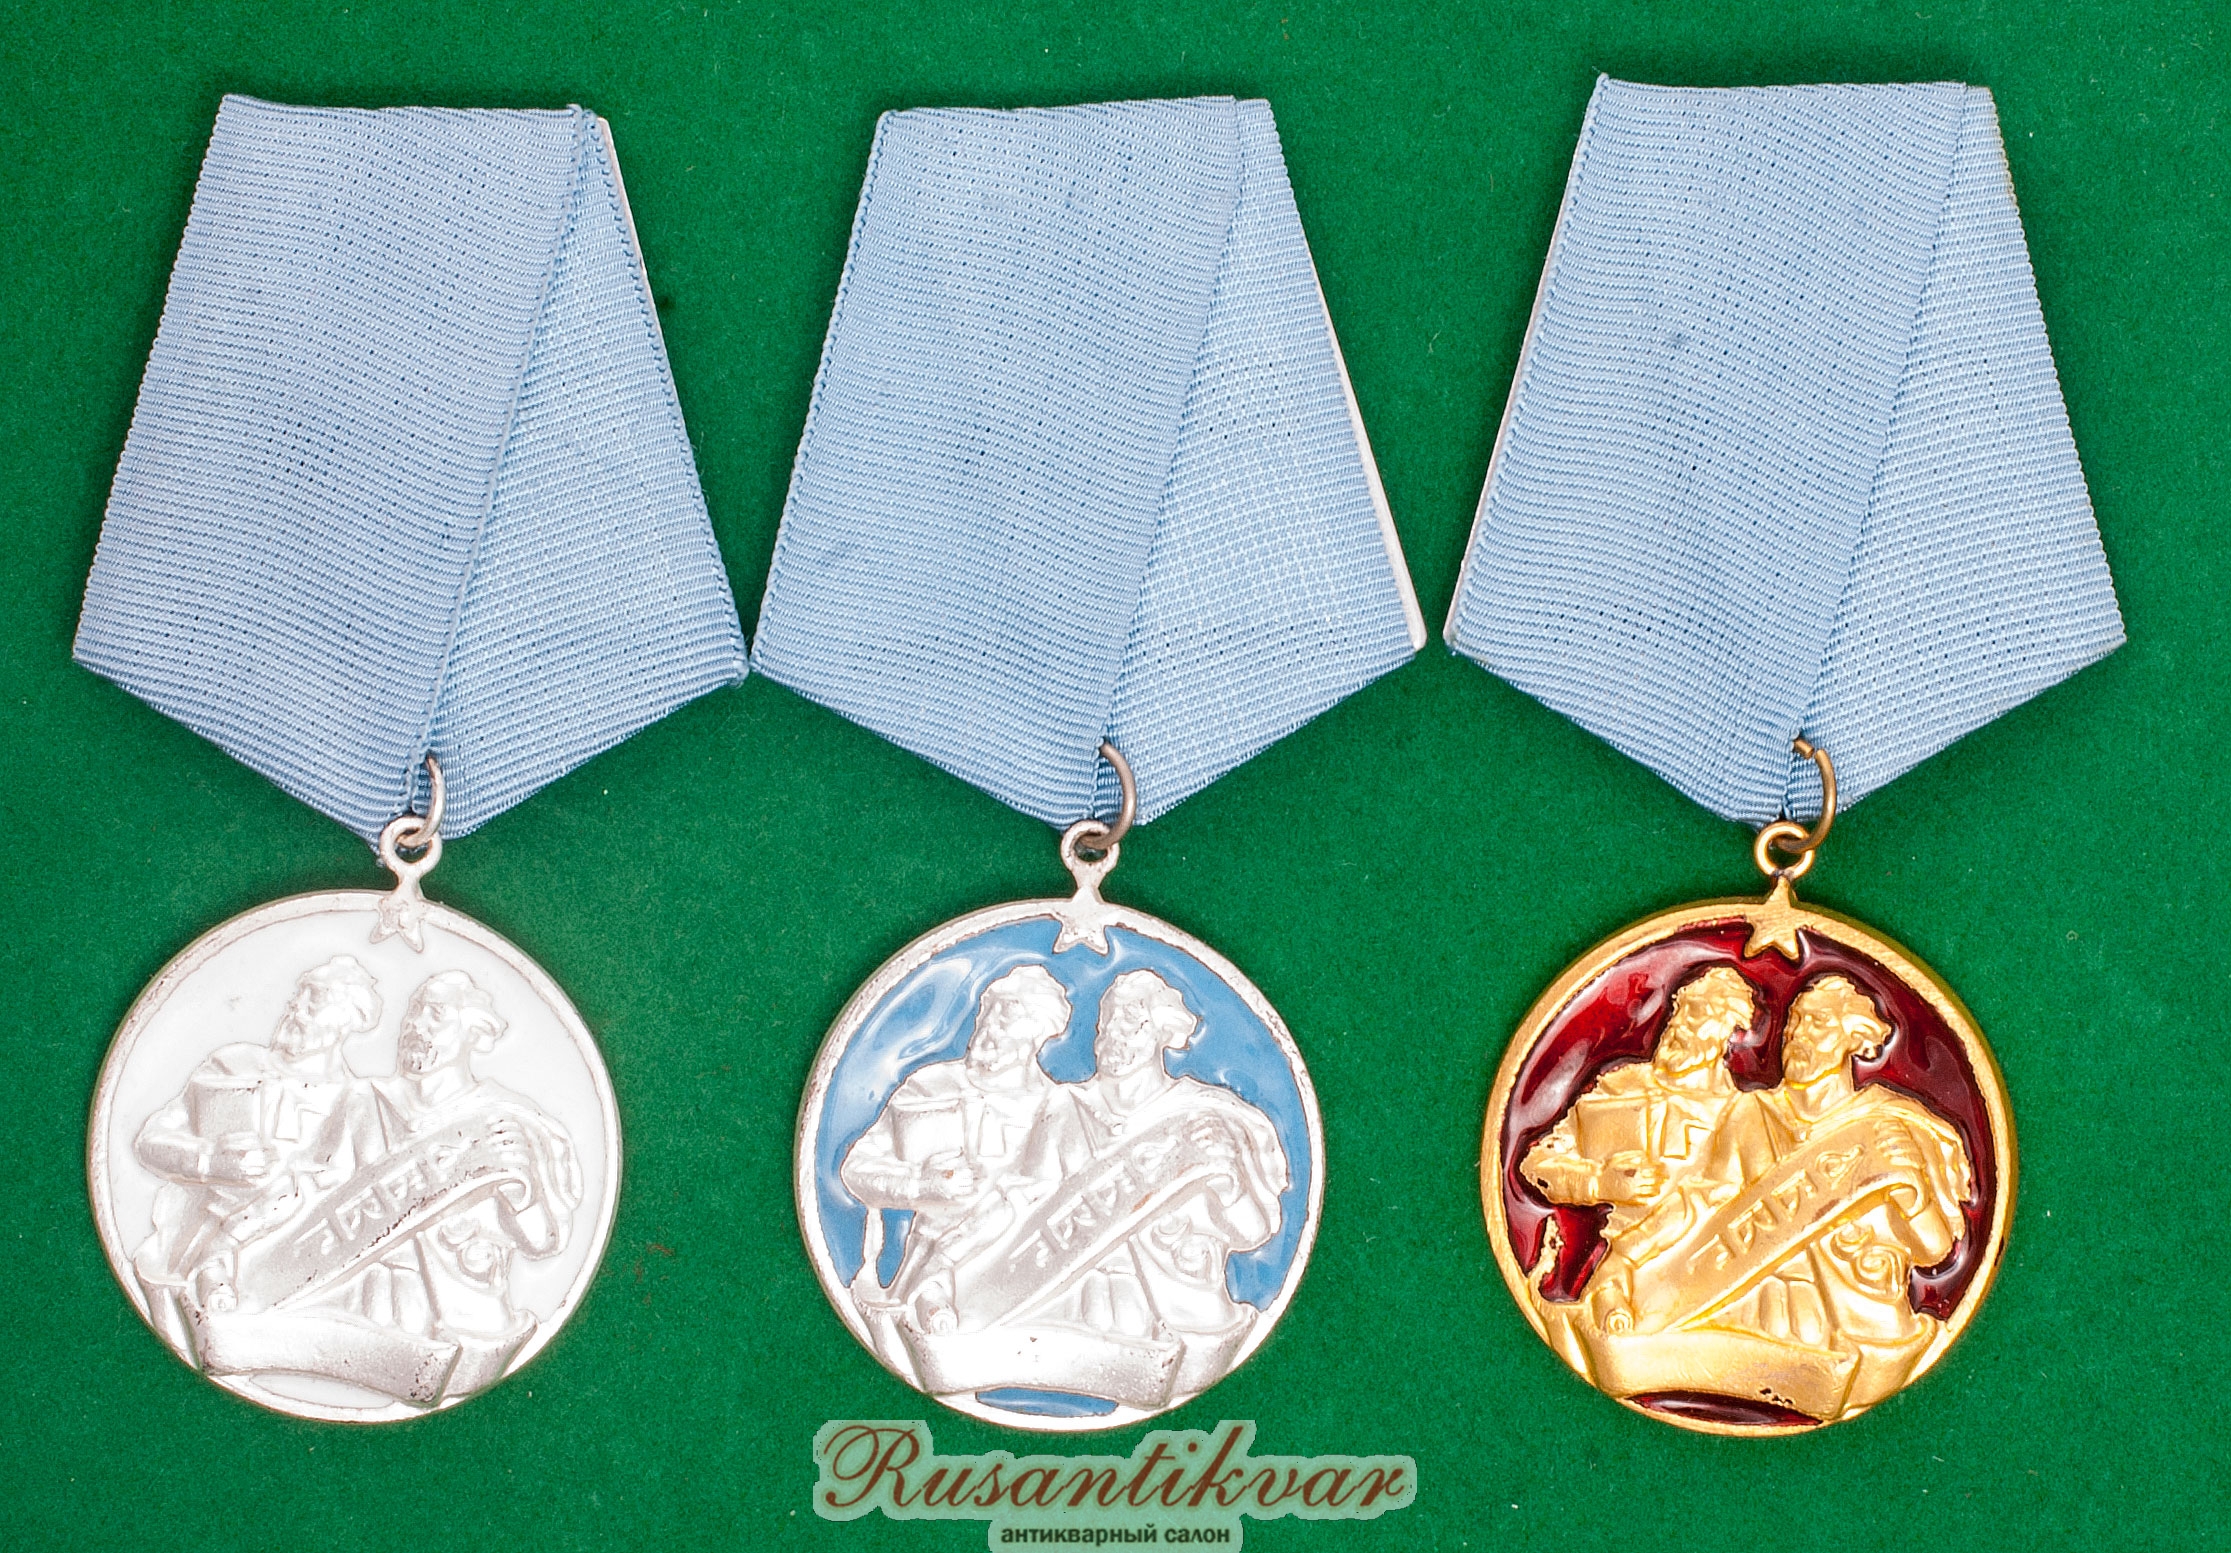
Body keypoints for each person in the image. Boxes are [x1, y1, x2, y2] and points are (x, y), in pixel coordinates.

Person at [1702, 973, 1973, 1409]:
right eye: (1794, 1023)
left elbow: (1934, 1252)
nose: (1798, 1036)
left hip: (1872, 1329)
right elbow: (1704, 1231)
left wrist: (1912, 1192)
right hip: (1763, 1325)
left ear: (1856, 1038)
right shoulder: (1748, 1116)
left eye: (1817, 1023)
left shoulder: (1891, 1122)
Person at [1013, 969, 1289, 1393]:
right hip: (1068, 1321)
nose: (1114, 1035)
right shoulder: (1065, 1108)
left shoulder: (1206, 1115)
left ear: (1165, 1032)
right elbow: (1022, 1220)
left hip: (1187, 1321)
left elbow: (1255, 1234)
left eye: (1132, 1023)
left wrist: (1230, 1184)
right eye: (1107, 1023)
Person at [132, 955, 386, 1338]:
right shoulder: (233, 1067)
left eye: (314, 999)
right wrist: (208, 1161)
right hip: (197, 1249)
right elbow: (149, 1141)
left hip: (303, 1275)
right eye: (299, 995)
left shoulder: (357, 1103)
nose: (296, 1007)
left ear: (348, 1018)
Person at [355, 970, 582, 1392]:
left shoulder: (507, 1118)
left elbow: (544, 1243)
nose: (416, 1026)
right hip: (363, 1312)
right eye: (413, 1013)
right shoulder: (364, 1106)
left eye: (435, 1014)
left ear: (473, 1031)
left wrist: (520, 1195)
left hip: (467, 1320)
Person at [840, 964, 1072, 1334]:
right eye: (987, 1010)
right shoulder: (931, 1086)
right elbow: (856, 1169)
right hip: (930, 1272)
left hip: (1026, 1279)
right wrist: (919, 1186)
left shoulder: (1057, 1106)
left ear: (1038, 1032)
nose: (989, 1025)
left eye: (1007, 1015)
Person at [1522, 964, 1755, 1331]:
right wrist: (1596, 1182)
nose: (1679, 1026)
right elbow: (1536, 1164)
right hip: (1618, 1279)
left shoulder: (1742, 1113)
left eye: (1697, 1015)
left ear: (1729, 1031)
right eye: (1679, 1010)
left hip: (1711, 1278)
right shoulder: (1618, 1088)